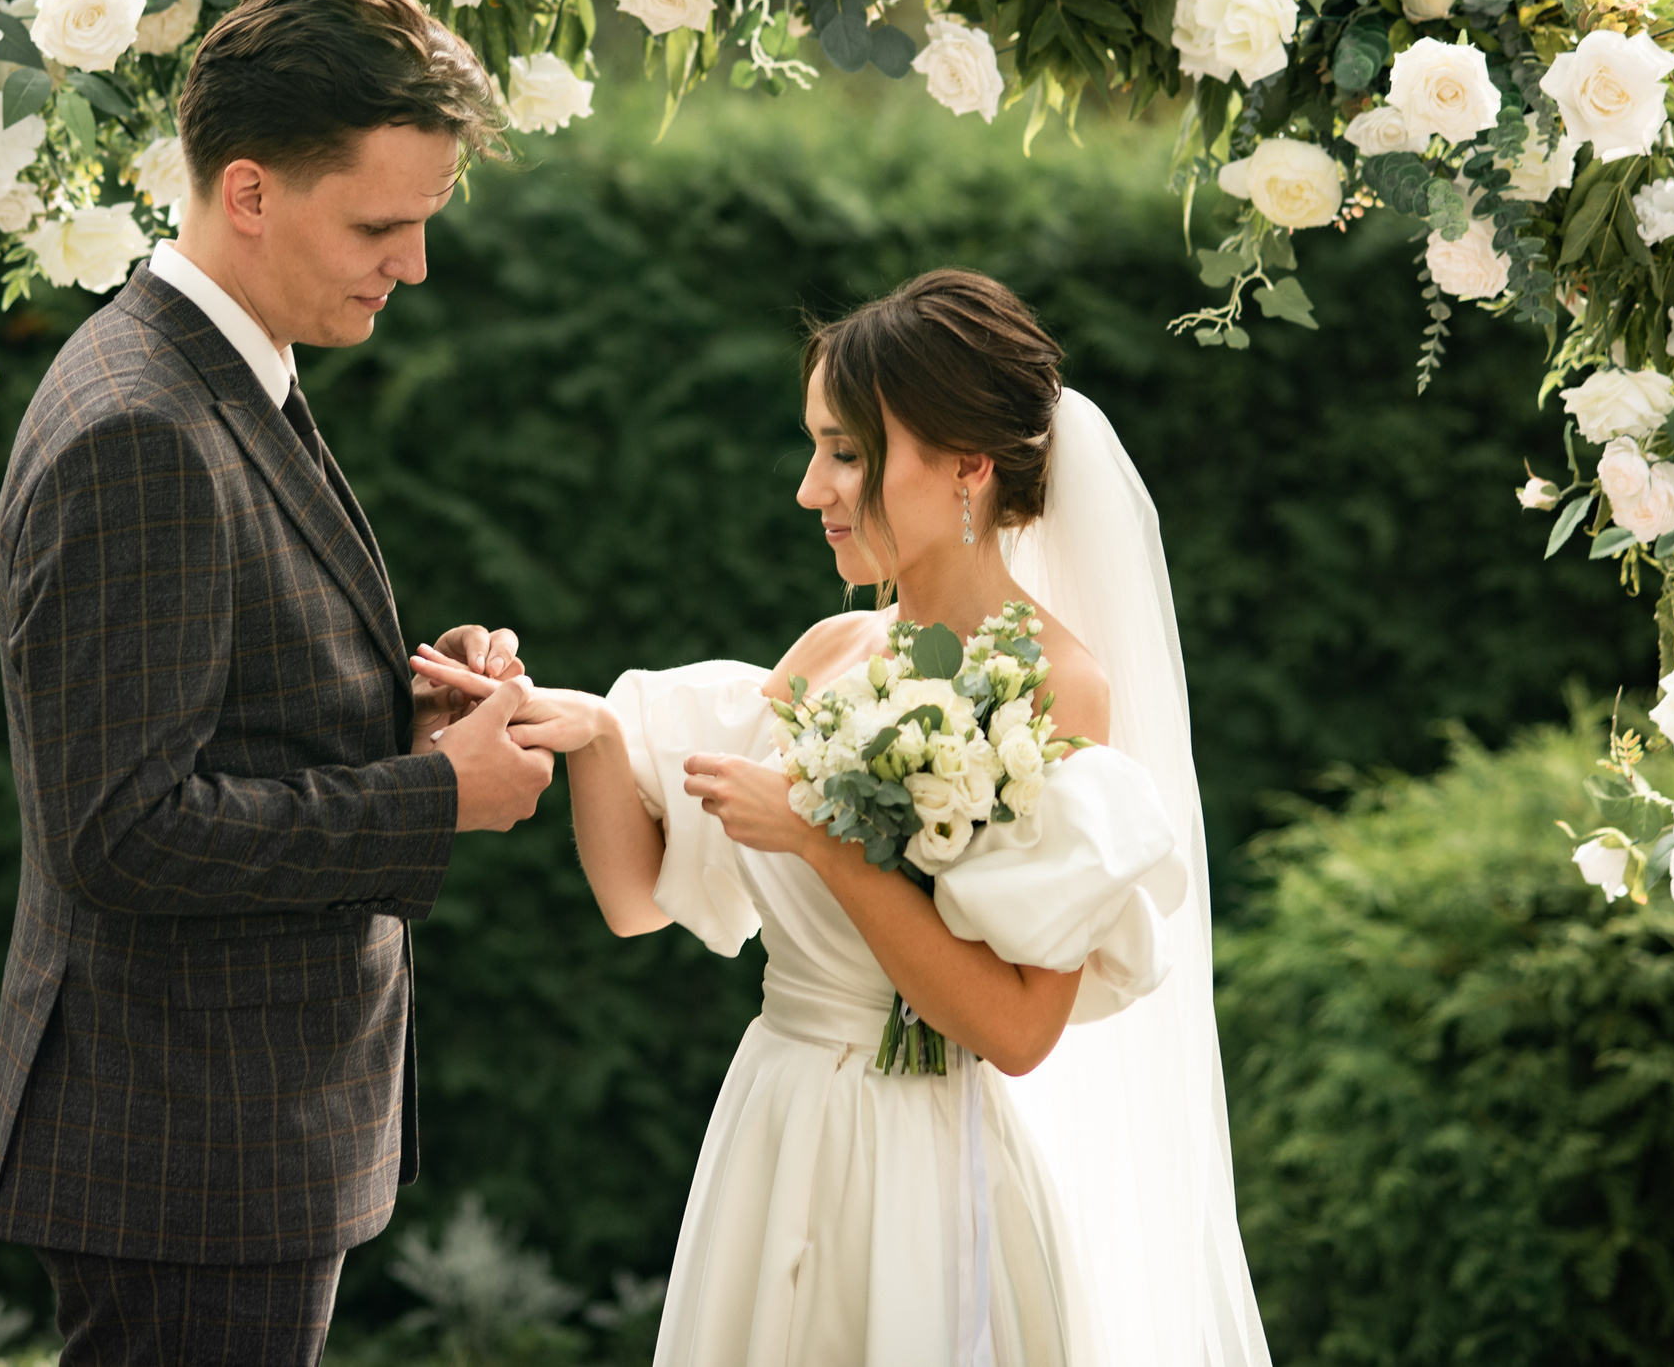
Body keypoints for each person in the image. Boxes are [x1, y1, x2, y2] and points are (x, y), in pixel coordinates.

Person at [417, 269, 1272, 1365]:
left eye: (847, 451)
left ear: (968, 464)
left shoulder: (1054, 688)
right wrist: (593, 736)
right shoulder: (830, 652)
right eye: (816, 446)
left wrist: (819, 834)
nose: (810, 487)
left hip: (917, 1159)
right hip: (773, 1132)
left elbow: (1013, 1031)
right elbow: (639, 900)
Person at [0, 0, 559, 1366]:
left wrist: (402, 707)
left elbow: (216, 707)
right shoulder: (144, 427)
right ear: (249, 192)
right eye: (381, 222)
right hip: (190, 1154)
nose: (412, 262)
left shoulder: (227, 373)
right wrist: (435, 800)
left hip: (232, 1138)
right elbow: (120, 829)